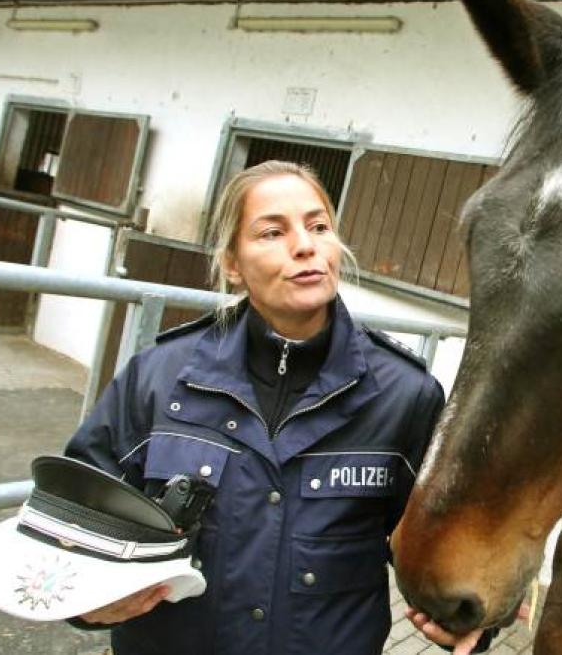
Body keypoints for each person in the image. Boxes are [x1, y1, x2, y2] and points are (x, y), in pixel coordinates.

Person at [63, 160, 489, 654]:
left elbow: (451, 536)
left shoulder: (404, 395)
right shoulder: (158, 377)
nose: (305, 245)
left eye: (318, 226)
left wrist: (476, 619)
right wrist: (85, 600)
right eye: (272, 232)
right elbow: (78, 515)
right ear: (232, 263)